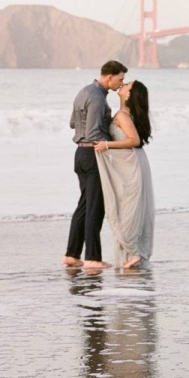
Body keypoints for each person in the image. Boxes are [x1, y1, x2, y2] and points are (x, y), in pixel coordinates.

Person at [64, 60, 128, 269]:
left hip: (80, 154)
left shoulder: (84, 92)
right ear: (109, 76)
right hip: (92, 155)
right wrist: (111, 140)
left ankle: (72, 255)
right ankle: (92, 258)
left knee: (84, 205)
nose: (121, 83)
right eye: (120, 79)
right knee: (95, 207)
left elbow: (73, 123)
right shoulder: (98, 98)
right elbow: (93, 133)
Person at [93, 80, 155, 270]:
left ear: (129, 94)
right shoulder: (124, 114)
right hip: (132, 162)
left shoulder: (123, 115)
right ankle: (133, 253)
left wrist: (107, 145)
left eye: (127, 84)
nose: (123, 84)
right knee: (129, 206)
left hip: (132, 165)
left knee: (127, 208)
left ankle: (133, 252)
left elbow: (134, 140)